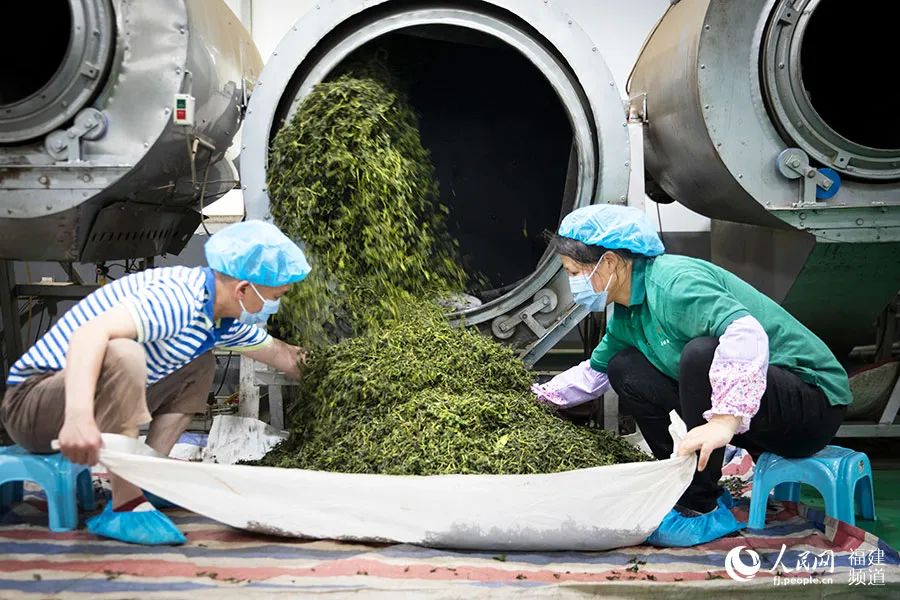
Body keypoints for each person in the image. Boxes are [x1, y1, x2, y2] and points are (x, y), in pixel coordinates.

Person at [532, 204, 851, 546]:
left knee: (700, 354)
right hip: (752, 421)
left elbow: (746, 333)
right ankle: (680, 483)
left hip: (811, 406)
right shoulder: (628, 314)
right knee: (624, 367)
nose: (573, 284)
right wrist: (536, 398)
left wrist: (724, 421)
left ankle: (698, 505)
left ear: (608, 262)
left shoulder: (674, 284)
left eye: (574, 272)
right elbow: (593, 375)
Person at [0, 220, 311, 545]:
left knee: (200, 361)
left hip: (72, 402)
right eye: (275, 296)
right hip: (33, 406)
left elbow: (283, 355)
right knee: (123, 353)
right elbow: (90, 334)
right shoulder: (178, 299)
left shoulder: (219, 320)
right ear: (244, 290)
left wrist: (338, 372)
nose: (275, 306)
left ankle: (148, 475)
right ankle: (126, 504)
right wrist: (78, 418)